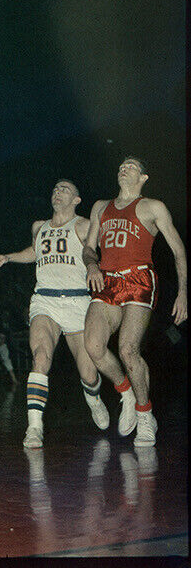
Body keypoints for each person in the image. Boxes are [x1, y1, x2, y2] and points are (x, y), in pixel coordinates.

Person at [0, 179, 110, 447]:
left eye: (65, 189)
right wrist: (8, 257)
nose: (57, 192)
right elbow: (34, 252)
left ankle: (94, 399)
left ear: (77, 200)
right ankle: (34, 428)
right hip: (45, 300)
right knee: (41, 357)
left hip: (78, 302)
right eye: (55, 188)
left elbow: (97, 253)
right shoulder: (38, 227)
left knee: (89, 374)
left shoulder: (85, 225)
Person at [82, 157, 187, 448]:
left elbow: (179, 251)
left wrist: (183, 293)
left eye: (130, 166)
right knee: (93, 345)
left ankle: (145, 414)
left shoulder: (153, 207)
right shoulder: (100, 207)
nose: (123, 168)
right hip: (106, 279)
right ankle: (125, 391)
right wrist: (92, 265)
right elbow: (89, 248)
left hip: (138, 279)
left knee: (129, 349)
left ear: (143, 177)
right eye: (121, 165)